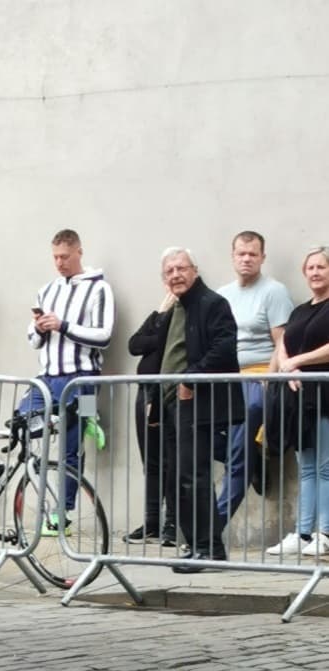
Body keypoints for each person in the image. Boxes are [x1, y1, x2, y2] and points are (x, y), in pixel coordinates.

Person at [138, 248, 243, 572]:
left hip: (196, 401)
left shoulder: (212, 303)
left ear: (194, 270)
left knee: (194, 476)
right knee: (180, 477)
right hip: (170, 404)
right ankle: (198, 546)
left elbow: (225, 346)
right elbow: (146, 347)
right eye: (169, 271)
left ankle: (208, 548)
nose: (175, 275)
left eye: (181, 268)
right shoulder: (175, 309)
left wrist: (190, 379)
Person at [20, 229, 115, 522]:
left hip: (82, 377)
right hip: (48, 376)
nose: (60, 263)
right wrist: (38, 328)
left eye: (65, 257)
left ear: (79, 253)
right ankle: (79, 423)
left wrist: (63, 326)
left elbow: (104, 336)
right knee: (22, 419)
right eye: (55, 257)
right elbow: (31, 339)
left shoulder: (99, 289)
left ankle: (64, 512)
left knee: (71, 448)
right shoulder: (47, 290)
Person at [215, 231, 293, 524]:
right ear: (233, 256)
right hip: (227, 379)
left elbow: (281, 343)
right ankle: (256, 459)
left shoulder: (273, 291)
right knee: (195, 430)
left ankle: (215, 523)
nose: (246, 259)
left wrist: (270, 381)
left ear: (262, 257)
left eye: (252, 254)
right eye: (241, 253)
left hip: (259, 375)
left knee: (239, 446)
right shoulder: (223, 295)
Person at [266, 246, 329, 558]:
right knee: (306, 468)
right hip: (300, 397)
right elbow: (282, 343)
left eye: (321, 267)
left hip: (325, 394)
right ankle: (303, 532)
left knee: (325, 467)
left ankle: (324, 532)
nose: (315, 272)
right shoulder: (300, 310)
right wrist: (286, 365)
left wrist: (298, 361)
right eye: (311, 268)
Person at [124, 292, 178, 547]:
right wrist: (159, 314)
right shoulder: (160, 314)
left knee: (170, 459)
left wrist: (155, 339)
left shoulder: (187, 314)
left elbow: (169, 344)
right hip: (145, 390)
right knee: (151, 460)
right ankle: (152, 521)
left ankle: (172, 523)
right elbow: (134, 345)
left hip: (167, 391)